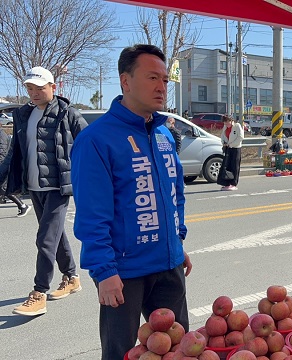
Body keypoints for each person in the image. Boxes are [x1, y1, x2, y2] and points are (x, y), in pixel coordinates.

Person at [70, 44, 192, 360]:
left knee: (179, 349)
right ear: (126, 81)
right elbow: (92, 214)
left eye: (165, 80)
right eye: (152, 77)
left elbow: (174, 194)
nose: (162, 87)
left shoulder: (164, 134)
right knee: (121, 352)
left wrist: (177, 242)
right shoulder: (96, 139)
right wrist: (103, 270)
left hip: (169, 265)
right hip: (122, 273)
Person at [0, 66, 87, 316]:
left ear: (53, 87)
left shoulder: (68, 113)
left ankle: (39, 293)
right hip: (34, 186)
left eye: (40, 88)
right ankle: (71, 277)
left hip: (59, 186)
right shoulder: (23, 115)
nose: (34, 93)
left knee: (45, 238)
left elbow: (89, 144)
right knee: (55, 236)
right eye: (30, 88)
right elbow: (15, 151)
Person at [0, 129, 30, 216]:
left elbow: (2, 152)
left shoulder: (1, 134)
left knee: (3, 189)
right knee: (3, 189)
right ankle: (22, 206)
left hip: (2, 165)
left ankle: (23, 205)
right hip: (3, 164)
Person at [217, 115, 244, 191]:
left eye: (227, 122)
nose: (226, 124)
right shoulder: (225, 127)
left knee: (235, 166)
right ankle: (227, 183)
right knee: (227, 166)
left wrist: (231, 144)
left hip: (236, 148)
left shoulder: (237, 126)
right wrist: (224, 143)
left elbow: (241, 137)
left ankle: (233, 183)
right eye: (225, 122)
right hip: (228, 148)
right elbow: (222, 136)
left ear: (231, 120)